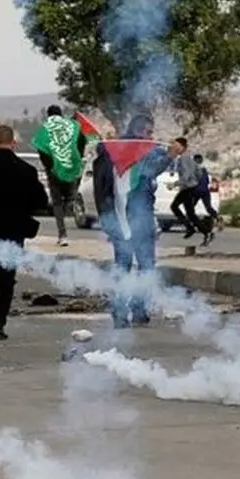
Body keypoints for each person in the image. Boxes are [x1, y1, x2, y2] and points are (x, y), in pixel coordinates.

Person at [0, 125, 48, 341]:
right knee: (7, 281)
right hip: (13, 229)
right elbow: (41, 202)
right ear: (13, 142)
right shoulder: (26, 170)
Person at [92, 116, 171, 328]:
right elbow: (150, 171)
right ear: (138, 130)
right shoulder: (130, 152)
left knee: (130, 265)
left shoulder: (114, 152)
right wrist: (170, 156)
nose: (151, 137)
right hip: (130, 218)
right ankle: (129, 309)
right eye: (148, 132)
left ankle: (133, 309)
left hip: (130, 218)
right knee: (139, 265)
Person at [32, 105, 88, 247]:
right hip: (71, 168)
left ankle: (62, 235)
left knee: (56, 203)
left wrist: (49, 167)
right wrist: (76, 159)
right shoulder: (73, 125)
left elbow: (40, 147)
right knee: (71, 196)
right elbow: (82, 142)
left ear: (48, 115)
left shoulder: (46, 128)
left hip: (54, 172)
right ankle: (72, 205)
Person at [169, 137, 211, 243]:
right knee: (190, 213)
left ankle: (191, 228)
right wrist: (194, 181)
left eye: (176, 145)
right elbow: (199, 172)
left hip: (187, 188)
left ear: (182, 147)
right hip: (190, 187)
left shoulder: (183, 158)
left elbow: (186, 175)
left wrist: (175, 184)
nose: (174, 147)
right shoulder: (188, 158)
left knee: (175, 207)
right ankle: (205, 232)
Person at [192, 153, 219, 235]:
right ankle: (218, 219)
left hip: (197, 191)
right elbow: (207, 182)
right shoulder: (204, 170)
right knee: (208, 207)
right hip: (205, 192)